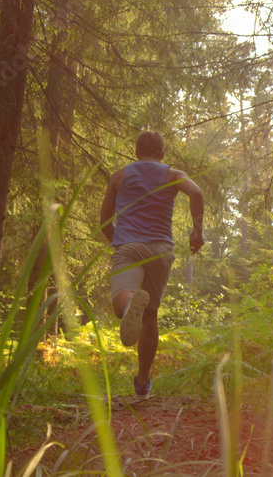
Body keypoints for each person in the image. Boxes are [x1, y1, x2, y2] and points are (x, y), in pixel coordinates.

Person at [100, 131, 204, 398]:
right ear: (162, 153)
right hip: (160, 249)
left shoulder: (119, 176)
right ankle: (143, 381)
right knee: (150, 315)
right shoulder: (172, 174)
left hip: (129, 247)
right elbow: (196, 192)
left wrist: (120, 241)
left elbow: (104, 221)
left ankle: (128, 306)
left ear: (136, 152)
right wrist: (197, 230)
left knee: (121, 300)